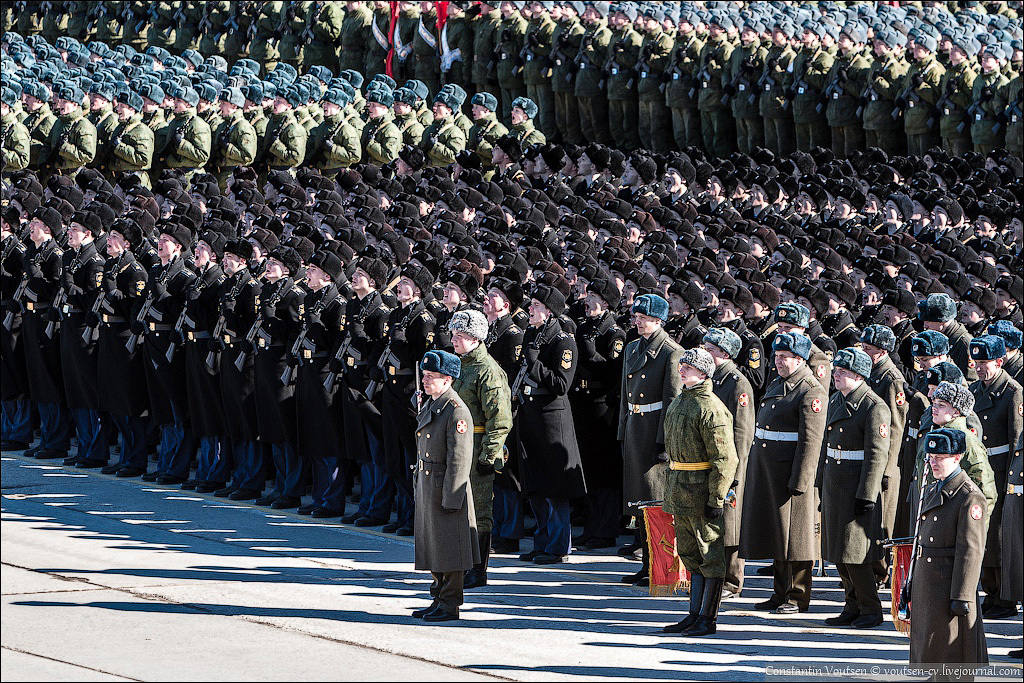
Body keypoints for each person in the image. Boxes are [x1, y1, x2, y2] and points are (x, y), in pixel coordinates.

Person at [740, 332, 827, 614]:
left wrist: (801, 480)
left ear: (800, 359)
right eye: (776, 357)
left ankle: (797, 595)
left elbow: (811, 441)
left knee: (797, 539)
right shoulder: (781, 381)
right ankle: (779, 592)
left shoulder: (810, 389)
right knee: (779, 535)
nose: (778, 362)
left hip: (789, 472)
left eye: (784, 357)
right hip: (769, 469)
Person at [661, 347, 737, 637]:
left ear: (704, 373)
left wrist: (717, 496)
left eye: (689, 368)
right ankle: (694, 614)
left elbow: (725, 458)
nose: (682, 370)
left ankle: (708, 618)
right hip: (681, 486)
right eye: (682, 366)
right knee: (690, 552)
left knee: (710, 553)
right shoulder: (682, 400)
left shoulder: (711, 407)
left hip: (701, 490)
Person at [909, 427, 989, 676]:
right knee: (934, 657)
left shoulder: (968, 496)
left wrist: (962, 596)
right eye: (930, 458)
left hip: (949, 589)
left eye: (939, 458)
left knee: (953, 661)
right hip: (930, 586)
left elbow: (971, 551)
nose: (933, 463)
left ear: (957, 457)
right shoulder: (936, 488)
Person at [820, 348, 889, 629]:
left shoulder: (874, 406)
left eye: (843, 373)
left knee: (856, 553)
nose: (836, 376)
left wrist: (867, 494)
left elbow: (877, 454)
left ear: (859, 376)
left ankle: (870, 609)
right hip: (835, 482)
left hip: (856, 487)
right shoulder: (837, 399)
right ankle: (852, 605)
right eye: (835, 371)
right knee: (839, 551)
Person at [618, 293, 683, 586]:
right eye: (637, 317)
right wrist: (623, 429)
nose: (638, 322)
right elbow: (625, 396)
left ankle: (663, 568)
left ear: (658, 320)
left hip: (653, 431)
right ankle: (647, 563)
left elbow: (672, 400)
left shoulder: (671, 352)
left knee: (656, 502)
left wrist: (664, 443)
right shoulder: (633, 347)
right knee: (640, 503)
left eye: (644, 318)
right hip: (635, 428)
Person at [412, 350, 479, 623]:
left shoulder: (456, 411)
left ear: (448, 379)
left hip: (446, 488)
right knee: (434, 547)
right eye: (425, 376)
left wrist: (452, 497)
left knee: (450, 549)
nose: (425, 381)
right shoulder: (433, 404)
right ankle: (438, 596)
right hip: (429, 484)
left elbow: (459, 460)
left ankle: (449, 603)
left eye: (431, 377)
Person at [449, 309, 512, 587]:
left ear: (476, 339)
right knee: (460, 506)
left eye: (460, 336)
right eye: (453, 335)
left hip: (478, 447)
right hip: (460, 444)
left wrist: (488, 456)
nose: (454, 340)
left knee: (479, 509)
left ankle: (478, 569)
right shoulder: (460, 364)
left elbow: (499, 420)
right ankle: (463, 563)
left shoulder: (488, 371)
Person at [968, 334, 1024, 620]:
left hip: (1002, 469)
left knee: (1001, 537)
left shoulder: (1012, 392)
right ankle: (991, 592)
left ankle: (1005, 597)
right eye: (976, 362)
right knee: (984, 534)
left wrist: (1013, 481)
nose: (979, 368)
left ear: (1000, 362)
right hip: (981, 470)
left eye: (984, 363)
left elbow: (1016, 439)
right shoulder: (974, 390)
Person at [702, 327, 754, 599]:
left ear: (724, 353)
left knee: (730, 523)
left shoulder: (737, 383)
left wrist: (734, 471)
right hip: (709, 460)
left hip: (730, 463)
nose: (705, 353)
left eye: (710, 349)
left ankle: (732, 580)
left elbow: (742, 432)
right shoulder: (711, 380)